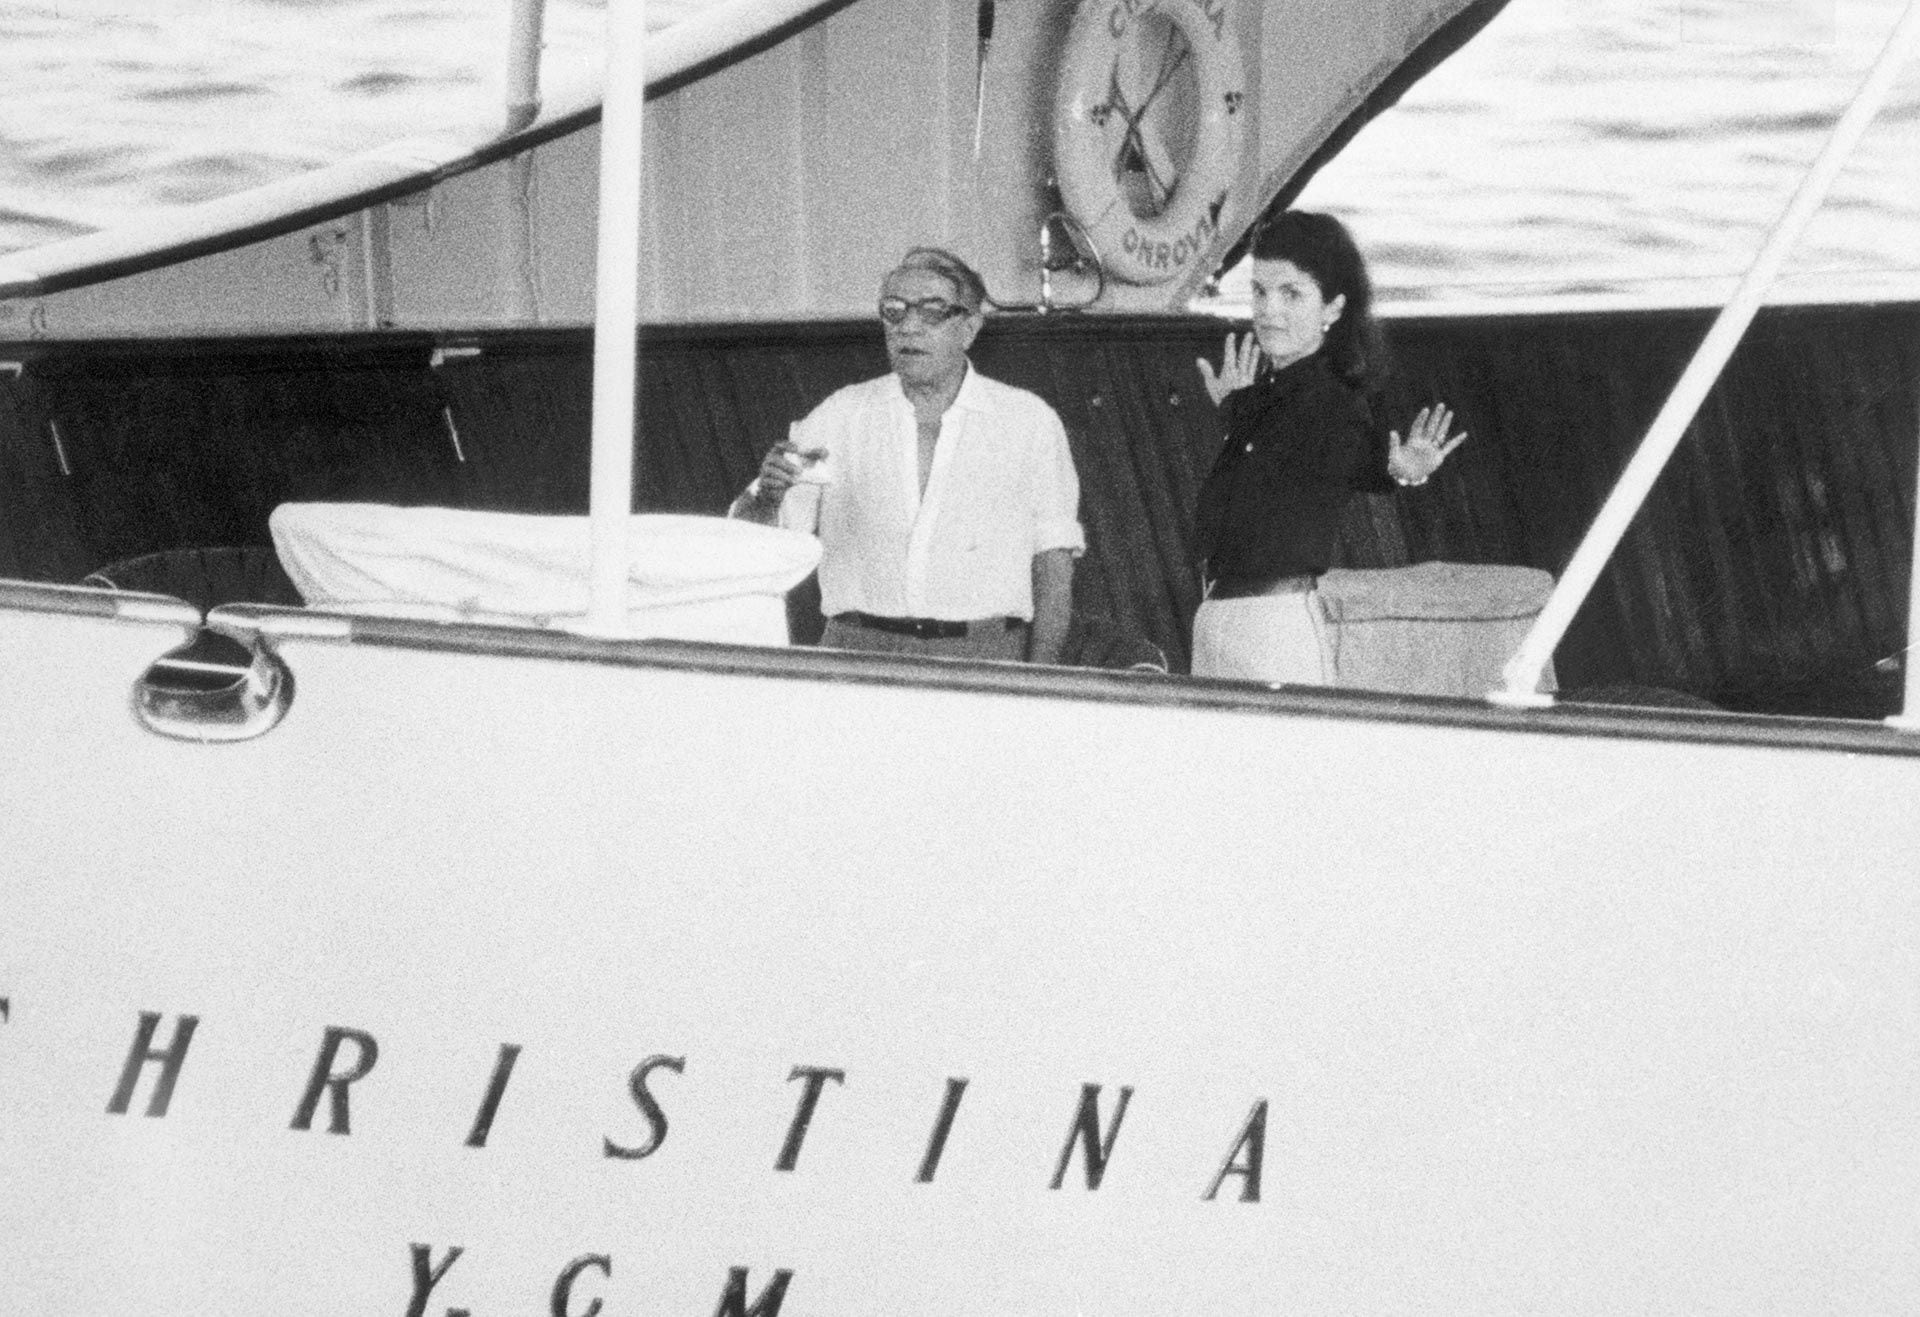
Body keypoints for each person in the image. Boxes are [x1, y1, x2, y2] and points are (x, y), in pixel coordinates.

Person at [732, 247, 1084, 663]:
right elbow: (756, 545)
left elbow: (1053, 562)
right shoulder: (839, 415)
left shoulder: (1029, 422)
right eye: (894, 311)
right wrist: (767, 497)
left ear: (969, 327)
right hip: (857, 651)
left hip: (987, 653)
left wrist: (1040, 681)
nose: (909, 327)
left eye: (932, 311)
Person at [1189, 211, 1465, 682]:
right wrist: (1236, 409)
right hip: (1217, 621)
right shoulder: (1264, 397)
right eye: (1259, 291)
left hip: (1273, 629)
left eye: (1290, 293)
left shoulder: (1332, 402)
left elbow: (1355, 455)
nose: (1268, 310)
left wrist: (1403, 467)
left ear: (1333, 309)